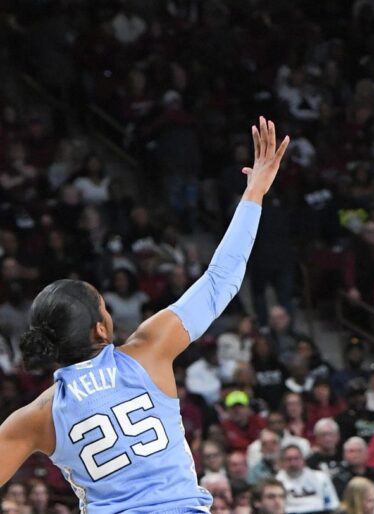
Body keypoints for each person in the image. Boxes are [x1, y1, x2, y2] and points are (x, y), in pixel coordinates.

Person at [0, 117, 290, 512]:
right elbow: (220, 279)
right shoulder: (148, 350)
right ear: (100, 328)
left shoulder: (38, 415)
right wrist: (254, 193)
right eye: (105, 307)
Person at [275, 443, 340, 514]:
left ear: (303, 460)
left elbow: (333, 504)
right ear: (282, 462)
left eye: (296, 458)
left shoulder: (321, 478)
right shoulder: (277, 481)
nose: (293, 463)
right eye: (289, 459)